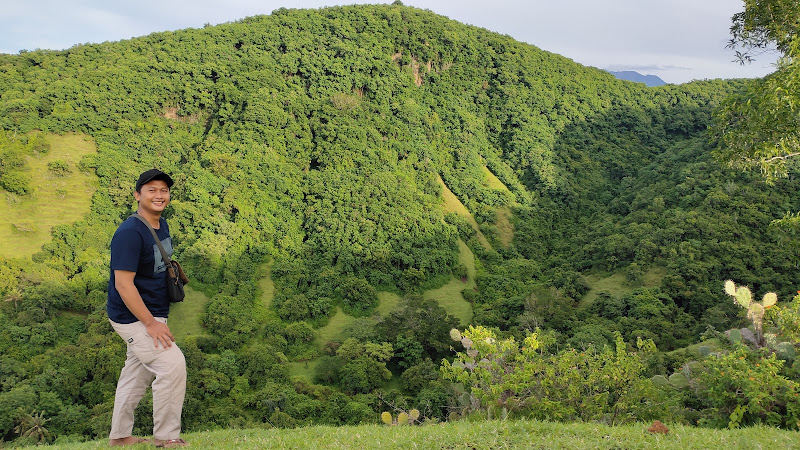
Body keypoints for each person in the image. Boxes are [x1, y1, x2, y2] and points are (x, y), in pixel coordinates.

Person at [106, 169, 189, 448]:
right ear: (137, 195)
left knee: (137, 373)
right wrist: (151, 324)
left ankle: (120, 437)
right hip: (134, 317)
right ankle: (167, 438)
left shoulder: (160, 224)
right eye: (151, 189)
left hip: (153, 312)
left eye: (163, 190)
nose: (159, 195)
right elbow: (123, 285)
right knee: (172, 365)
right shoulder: (130, 233)